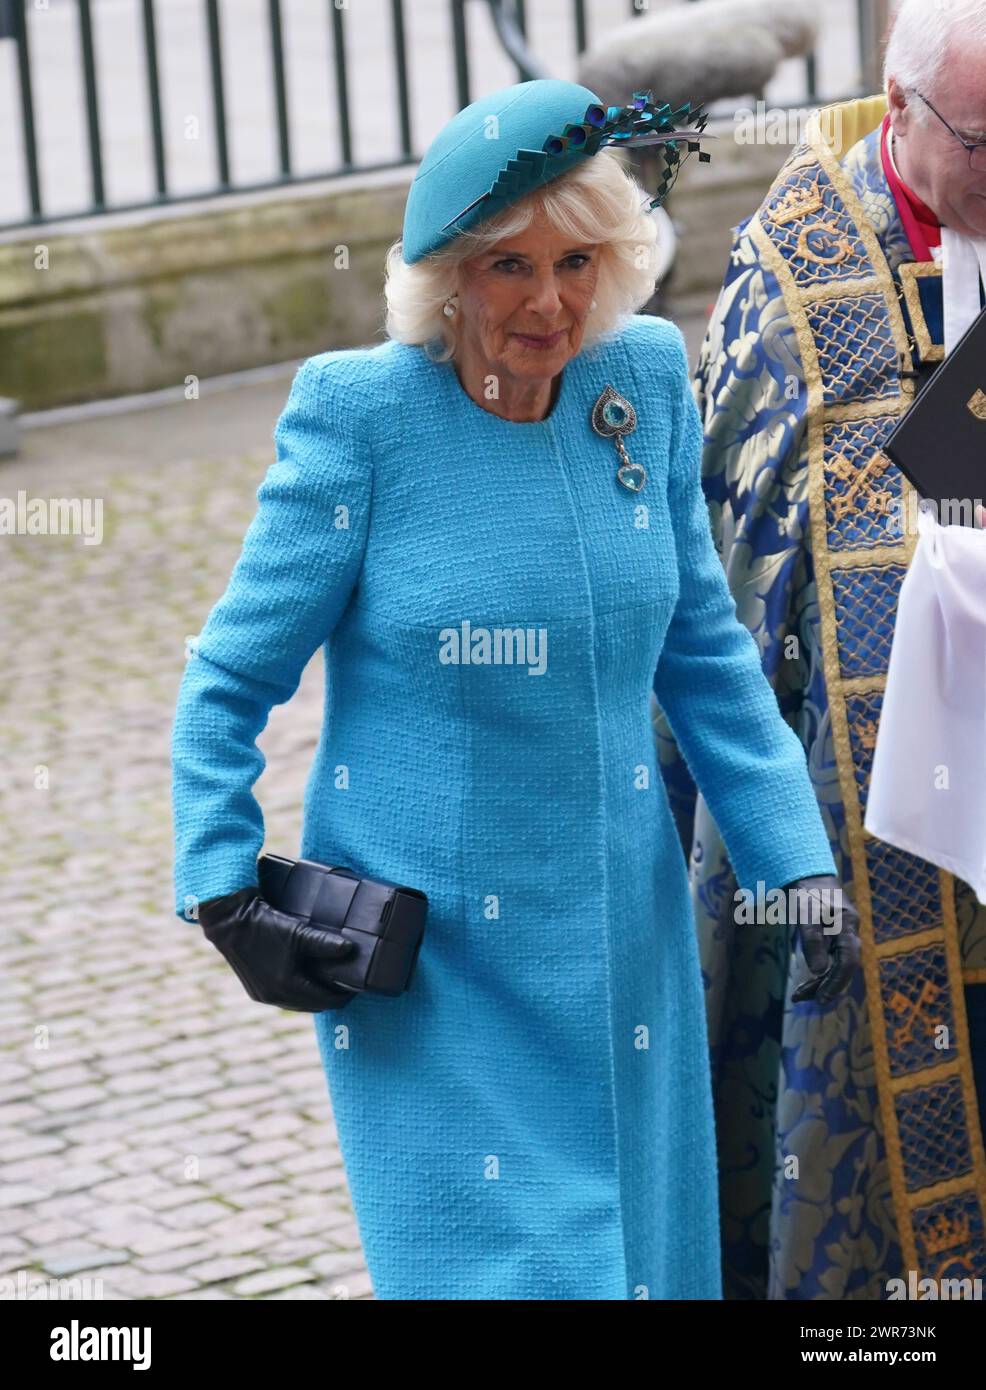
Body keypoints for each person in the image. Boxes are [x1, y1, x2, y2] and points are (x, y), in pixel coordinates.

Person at [170, 78, 859, 1301]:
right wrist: (223, 892)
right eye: (507, 269)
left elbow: (699, 648)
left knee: (641, 1268)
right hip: (441, 978)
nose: (548, 301)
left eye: (578, 260)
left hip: (619, 948)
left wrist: (790, 862)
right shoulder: (361, 420)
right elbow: (231, 677)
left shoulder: (641, 381)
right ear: (446, 279)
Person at [655, 0, 986, 1300]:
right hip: (880, 808)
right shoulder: (797, 277)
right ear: (901, 113)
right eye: (982, 143)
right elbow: (742, 569)